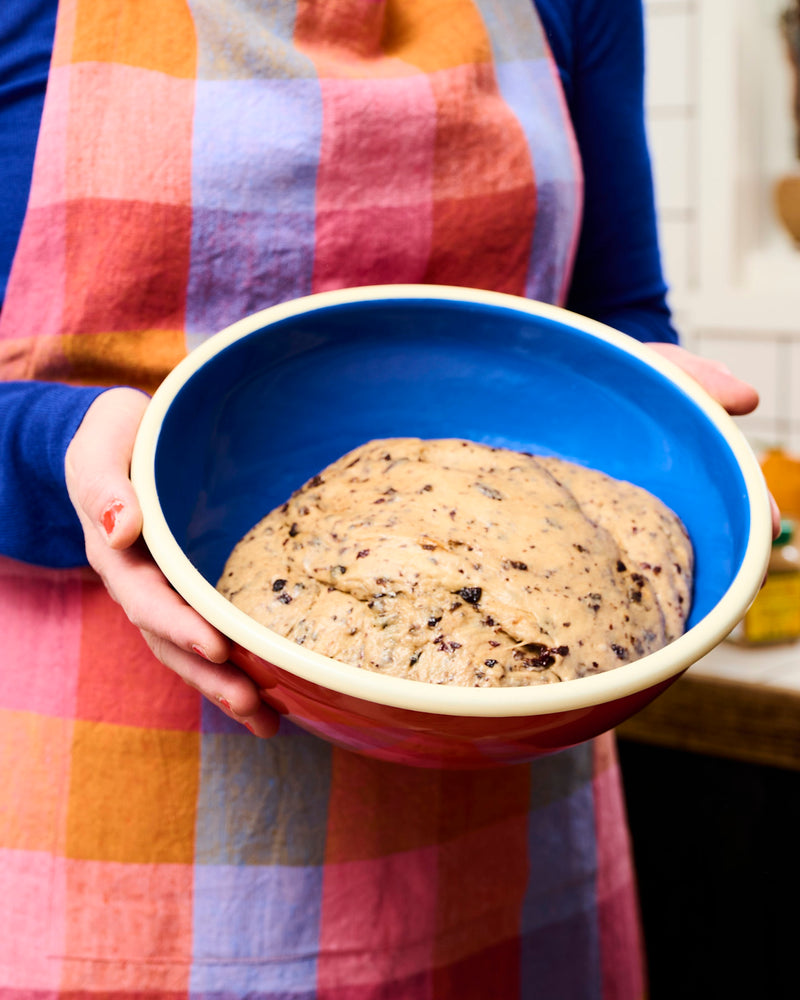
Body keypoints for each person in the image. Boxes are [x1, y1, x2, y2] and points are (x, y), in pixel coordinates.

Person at [0, 1, 766, 997]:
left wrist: (646, 406)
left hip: (515, 809)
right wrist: (61, 448)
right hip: (102, 806)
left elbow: (615, 314)